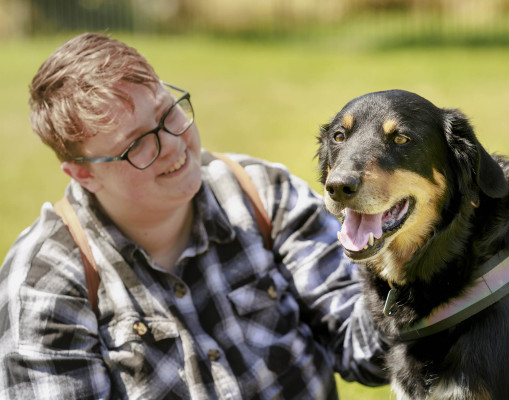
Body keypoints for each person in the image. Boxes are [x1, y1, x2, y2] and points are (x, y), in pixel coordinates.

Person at [0, 32, 388, 399]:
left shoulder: (263, 194)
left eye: (168, 113)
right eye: (136, 144)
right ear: (83, 173)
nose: (173, 145)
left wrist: (409, 273)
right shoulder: (45, 286)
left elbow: (365, 354)